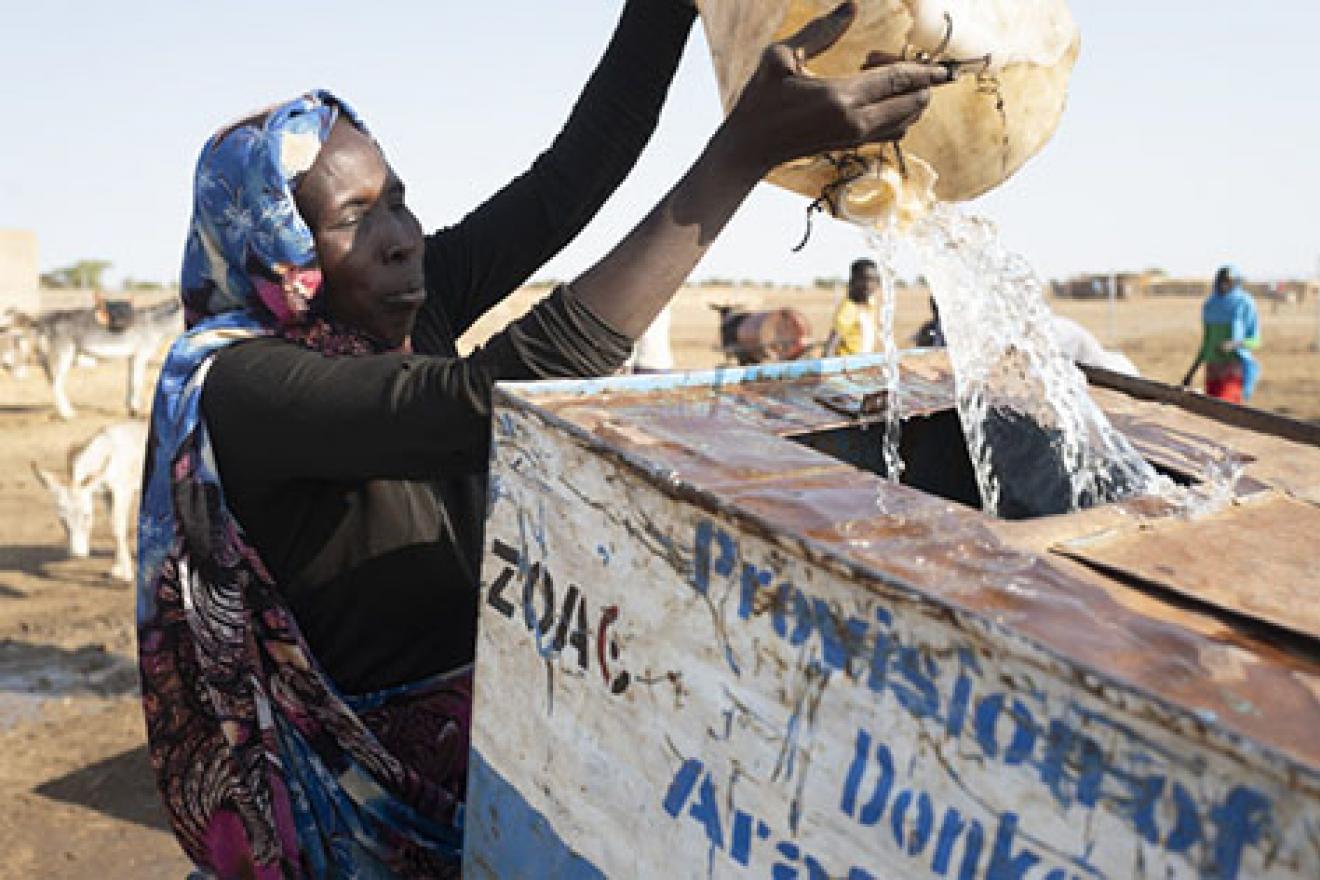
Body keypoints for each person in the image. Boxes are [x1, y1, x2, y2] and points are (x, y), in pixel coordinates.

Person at [135, 2, 950, 876]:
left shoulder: (407, 311)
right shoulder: (241, 387)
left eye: (400, 202)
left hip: (501, 776)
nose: (403, 239)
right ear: (275, 251)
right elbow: (487, 401)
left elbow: (577, 170)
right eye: (352, 217)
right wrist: (739, 157)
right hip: (357, 830)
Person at [1180, 264, 1261, 403]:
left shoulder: (1244, 304)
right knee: (1211, 413)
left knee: (1224, 408)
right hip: (1212, 370)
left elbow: (1255, 341)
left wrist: (1234, 344)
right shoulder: (1210, 305)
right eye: (1221, 282)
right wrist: (1191, 372)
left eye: (1228, 282)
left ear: (1236, 283)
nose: (1223, 286)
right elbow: (1206, 343)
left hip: (1233, 370)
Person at [823, 257, 881, 356]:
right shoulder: (849, 309)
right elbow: (830, 346)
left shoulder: (869, 305)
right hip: (848, 366)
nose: (868, 285)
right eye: (863, 280)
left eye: (872, 280)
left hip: (864, 363)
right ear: (852, 281)